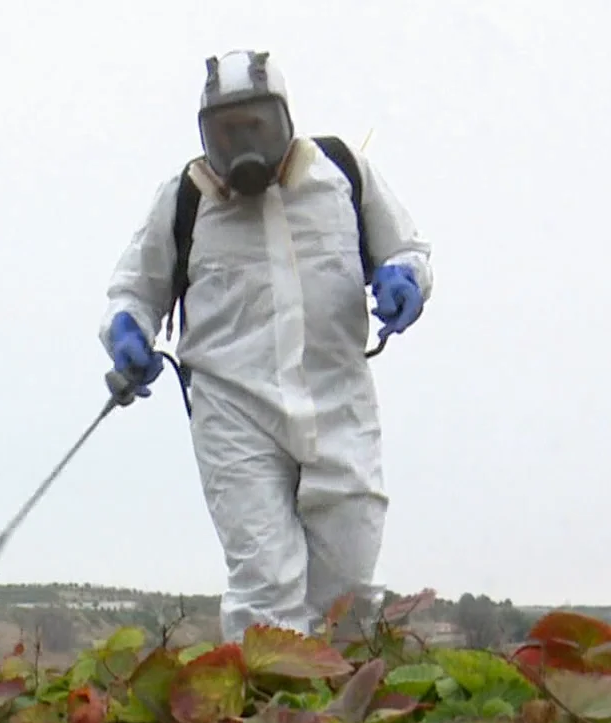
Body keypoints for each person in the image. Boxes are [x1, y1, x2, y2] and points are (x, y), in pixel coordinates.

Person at [97, 49, 433, 643]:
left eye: (256, 126)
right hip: (234, 413)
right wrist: (128, 333)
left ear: (283, 120)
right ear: (207, 136)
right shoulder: (185, 200)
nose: (242, 143)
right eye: (226, 132)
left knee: (350, 592)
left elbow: (405, 248)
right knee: (265, 586)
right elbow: (133, 292)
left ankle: (343, 722)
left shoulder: (343, 174)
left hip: (339, 403)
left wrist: (404, 278)